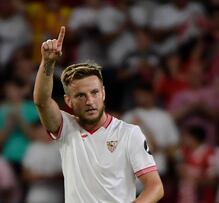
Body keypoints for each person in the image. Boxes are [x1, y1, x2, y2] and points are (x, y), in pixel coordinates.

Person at [33, 26, 164, 202]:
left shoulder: (128, 133)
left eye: (94, 93)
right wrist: (47, 63)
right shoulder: (65, 128)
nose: (89, 101)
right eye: (80, 95)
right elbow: (42, 101)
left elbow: (155, 186)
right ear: (68, 101)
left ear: (103, 93)